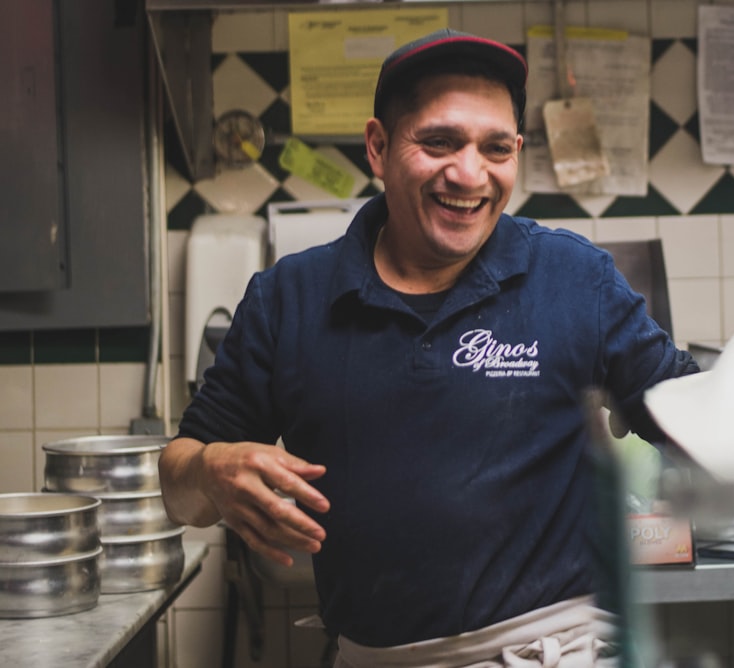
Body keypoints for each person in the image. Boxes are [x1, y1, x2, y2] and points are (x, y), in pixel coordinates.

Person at [160, 28, 699, 667]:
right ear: (379, 148)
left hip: (554, 650)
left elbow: (695, 420)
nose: (469, 174)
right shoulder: (291, 299)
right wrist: (209, 471)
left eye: (495, 148)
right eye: (439, 141)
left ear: (516, 153)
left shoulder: (574, 279)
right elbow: (178, 484)